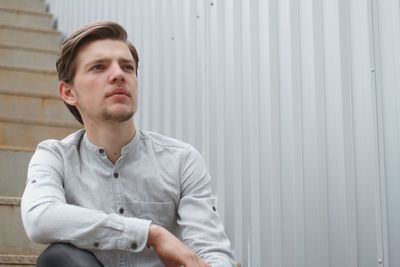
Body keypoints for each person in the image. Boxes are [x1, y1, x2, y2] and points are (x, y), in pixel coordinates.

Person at [20, 21, 235, 267]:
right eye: (99, 67)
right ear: (69, 93)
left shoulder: (181, 160)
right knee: (58, 258)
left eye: (127, 67)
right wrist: (150, 233)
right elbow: (39, 217)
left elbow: (212, 250)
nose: (118, 74)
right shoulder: (54, 156)